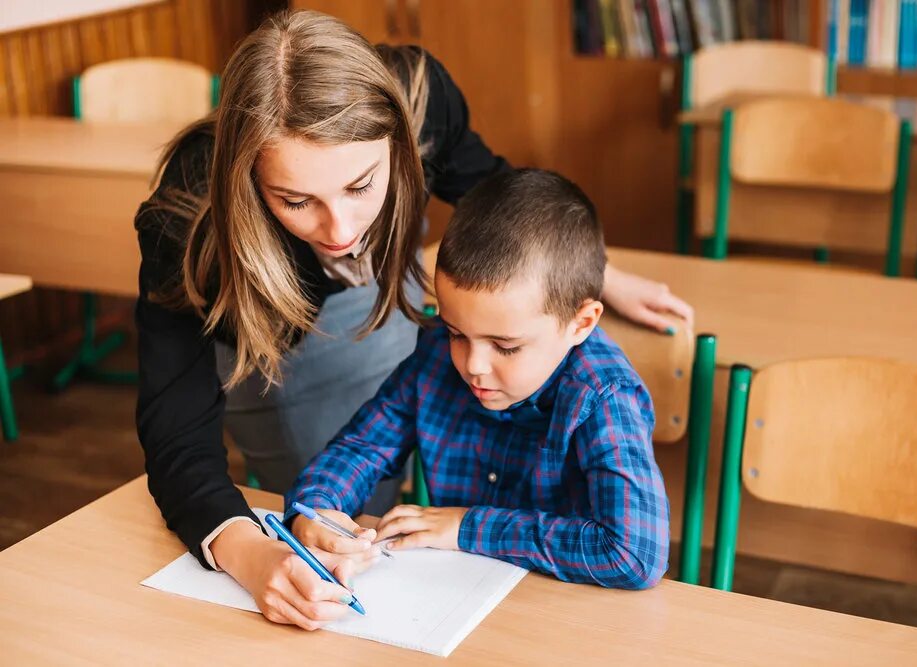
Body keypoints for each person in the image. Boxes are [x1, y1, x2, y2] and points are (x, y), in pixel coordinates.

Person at [135, 10, 686, 629]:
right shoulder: (188, 223)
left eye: (362, 185)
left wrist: (598, 273)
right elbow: (183, 432)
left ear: (400, 141)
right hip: (278, 335)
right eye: (296, 200)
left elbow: (508, 205)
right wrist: (270, 539)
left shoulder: (425, 102)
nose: (342, 234)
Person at [286, 168, 669, 591]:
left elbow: (633, 554)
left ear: (581, 323)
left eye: (505, 346)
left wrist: (467, 527)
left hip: (562, 611)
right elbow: (362, 448)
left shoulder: (603, 397)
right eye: (456, 333)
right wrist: (316, 511)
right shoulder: (436, 358)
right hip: (456, 598)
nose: (473, 365)